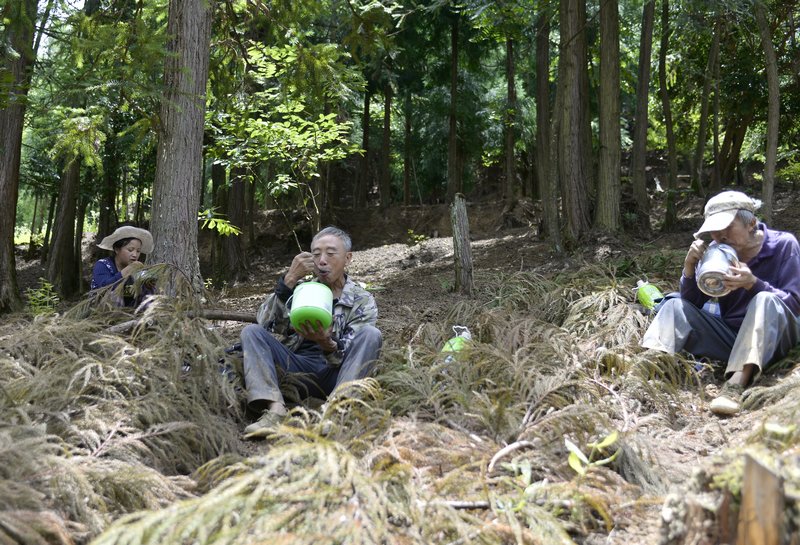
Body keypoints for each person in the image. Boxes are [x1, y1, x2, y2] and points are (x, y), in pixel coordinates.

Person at [641, 190, 800, 415]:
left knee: (764, 298)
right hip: (732, 339)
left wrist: (753, 284)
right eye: (714, 230)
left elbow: (794, 304)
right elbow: (691, 303)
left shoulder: (783, 245)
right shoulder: (717, 253)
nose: (720, 235)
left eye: (727, 227)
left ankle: (735, 384)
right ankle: (649, 365)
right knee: (674, 305)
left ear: (751, 223)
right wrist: (689, 269)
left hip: (777, 340)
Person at [240, 226, 382, 436]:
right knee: (251, 331)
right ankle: (275, 411)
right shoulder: (300, 290)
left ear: (348, 258)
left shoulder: (362, 300)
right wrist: (289, 280)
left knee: (371, 334)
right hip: (296, 369)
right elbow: (264, 322)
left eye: (330, 253)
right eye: (316, 254)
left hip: (337, 374)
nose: (322, 260)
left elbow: (354, 352)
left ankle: (335, 412)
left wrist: (327, 343)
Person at [91, 225, 154, 305]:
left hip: (130, 310)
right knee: (114, 294)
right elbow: (104, 288)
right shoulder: (103, 265)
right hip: (102, 309)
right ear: (117, 249)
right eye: (130, 250)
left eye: (138, 251)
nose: (135, 255)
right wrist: (127, 270)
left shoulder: (138, 271)